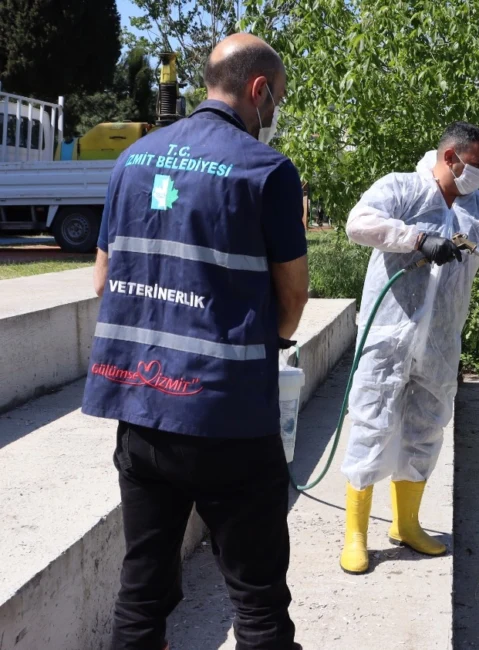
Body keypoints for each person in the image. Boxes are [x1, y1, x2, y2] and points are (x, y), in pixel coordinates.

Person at [81, 33, 308, 650]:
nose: (275, 111)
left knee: (142, 590)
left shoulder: (133, 160)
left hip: (142, 411)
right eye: (278, 97)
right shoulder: (267, 170)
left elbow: (103, 280)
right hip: (227, 417)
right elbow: (292, 301)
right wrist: (264, 338)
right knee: (258, 601)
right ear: (259, 90)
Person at [338, 122, 479, 574]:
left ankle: (406, 524)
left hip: (440, 342)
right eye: (477, 165)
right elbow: (359, 222)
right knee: (371, 422)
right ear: (451, 157)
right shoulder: (402, 189)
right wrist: (416, 239)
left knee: (427, 427)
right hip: (387, 336)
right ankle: (356, 535)